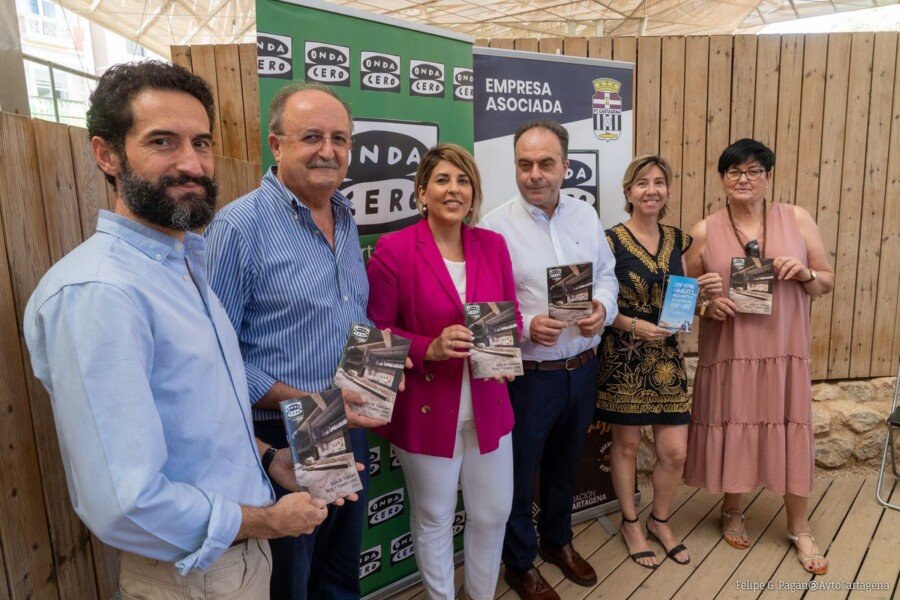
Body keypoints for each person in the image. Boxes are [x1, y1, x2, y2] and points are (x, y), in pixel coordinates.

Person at [23, 61, 332, 599]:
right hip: (191, 576)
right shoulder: (101, 293)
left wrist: (267, 458)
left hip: (236, 558)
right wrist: (269, 523)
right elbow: (127, 503)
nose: (192, 164)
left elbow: (195, 425)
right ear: (107, 154)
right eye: (163, 142)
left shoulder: (185, 263)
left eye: (202, 143)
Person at [204, 82, 380, 599]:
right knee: (291, 581)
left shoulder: (346, 217)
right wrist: (301, 399)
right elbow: (217, 355)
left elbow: (347, 317)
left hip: (343, 426)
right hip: (278, 437)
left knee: (339, 571)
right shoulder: (237, 228)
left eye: (340, 138)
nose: (329, 150)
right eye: (312, 137)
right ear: (277, 145)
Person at [366, 144, 521, 600]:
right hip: (428, 407)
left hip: (490, 402)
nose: (454, 190)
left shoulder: (493, 245)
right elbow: (376, 330)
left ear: (474, 193)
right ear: (422, 192)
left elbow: (506, 314)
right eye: (443, 180)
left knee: (492, 513)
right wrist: (428, 347)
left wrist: (506, 351)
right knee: (434, 516)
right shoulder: (394, 249)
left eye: (463, 181)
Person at [480, 119, 619, 600]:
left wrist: (603, 308)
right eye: (524, 164)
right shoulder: (493, 229)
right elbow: (481, 307)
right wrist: (524, 328)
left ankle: (558, 541)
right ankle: (520, 563)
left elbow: (607, 275)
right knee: (518, 475)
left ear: (565, 166)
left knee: (565, 467)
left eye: (545, 163)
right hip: (528, 376)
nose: (534, 174)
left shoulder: (584, 215)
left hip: (580, 370)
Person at [683, 138, 835, 575]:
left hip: (784, 352)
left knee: (791, 427)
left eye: (753, 171)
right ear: (722, 179)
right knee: (736, 422)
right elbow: (680, 294)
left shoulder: (797, 219)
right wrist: (704, 304)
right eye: (734, 172)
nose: (743, 179)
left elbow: (826, 280)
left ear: (768, 177)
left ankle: (799, 526)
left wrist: (805, 273)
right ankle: (732, 510)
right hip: (732, 352)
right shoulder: (705, 230)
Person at [596, 155, 722, 569]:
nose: (651, 190)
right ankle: (630, 522)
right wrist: (635, 326)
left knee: (674, 452)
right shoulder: (609, 240)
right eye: (642, 183)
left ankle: (660, 519)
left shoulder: (680, 240)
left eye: (659, 183)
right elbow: (598, 305)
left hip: (667, 359)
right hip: (624, 357)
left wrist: (705, 293)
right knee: (627, 445)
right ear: (628, 191)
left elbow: (689, 301)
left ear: (667, 190)